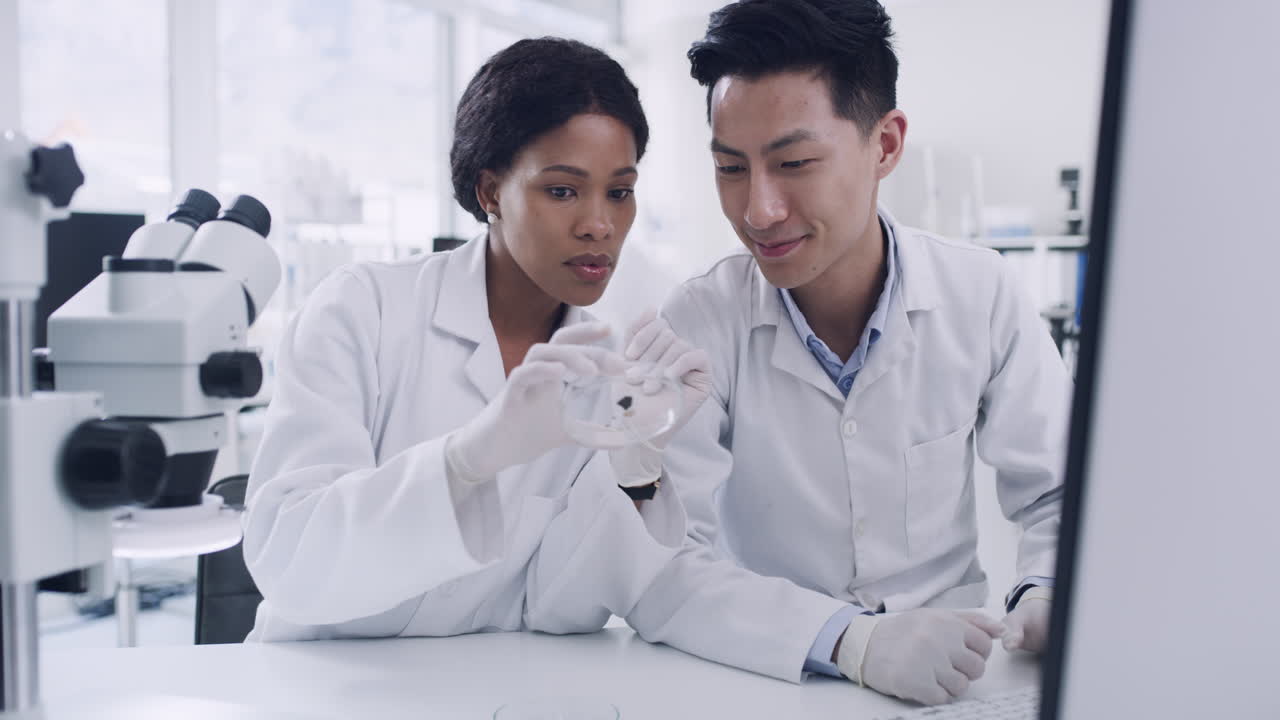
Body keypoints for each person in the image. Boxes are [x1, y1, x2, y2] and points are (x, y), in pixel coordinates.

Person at [618, 0, 1072, 706]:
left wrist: (1046, 589)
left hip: (960, 672)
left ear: (885, 145)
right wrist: (847, 640)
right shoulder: (698, 322)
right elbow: (666, 565)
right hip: (770, 673)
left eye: (794, 162)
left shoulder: (979, 292)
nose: (758, 210)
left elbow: (1058, 492)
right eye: (730, 168)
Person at [241, 37, 708, 642]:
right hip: (321, 684)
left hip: (485, 687)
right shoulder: (361, 310)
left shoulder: (610, 363)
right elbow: (291, 558)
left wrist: (637, 465)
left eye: (619, 191)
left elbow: (556, 606)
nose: (599, 223)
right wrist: (465, 463)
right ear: (491, 193)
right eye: (563, 190)